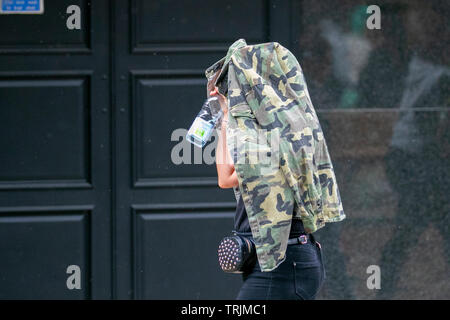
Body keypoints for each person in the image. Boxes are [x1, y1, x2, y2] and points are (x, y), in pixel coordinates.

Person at [210, 80, 326, 300]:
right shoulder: (286, 136)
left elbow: (225, 178)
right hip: (285, 258)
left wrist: (225, 118)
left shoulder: (274, 145)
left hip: (283, 262)